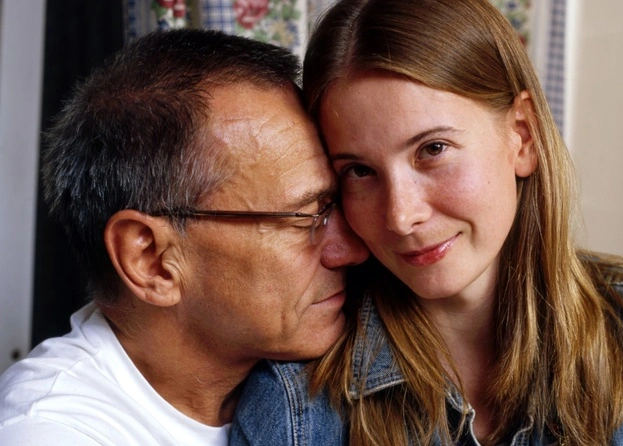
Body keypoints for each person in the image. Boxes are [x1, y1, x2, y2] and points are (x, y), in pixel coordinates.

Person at [230, 0, 623, 445]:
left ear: (522, 135)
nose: (401, 217)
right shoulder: (296, 408)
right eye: (359, 171)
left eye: (433, 149)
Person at [0, 28, 369, 445]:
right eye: (306, 217)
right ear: (152, 260)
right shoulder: (50, 431)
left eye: (335, 202)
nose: (353, 250)